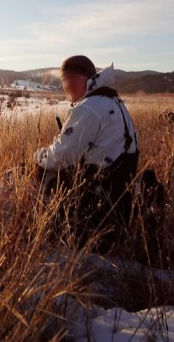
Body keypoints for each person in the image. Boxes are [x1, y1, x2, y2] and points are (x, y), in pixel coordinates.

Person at [33, 55, 139, 251]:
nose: (67, 85)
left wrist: (39, 157)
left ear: (88, 79)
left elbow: (61, 157)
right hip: (115, 194)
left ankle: (43, 236)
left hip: (96, 198)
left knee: (37, 175)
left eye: (73, 78)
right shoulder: (111, 100)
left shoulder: (90, 107)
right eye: (64, 79)